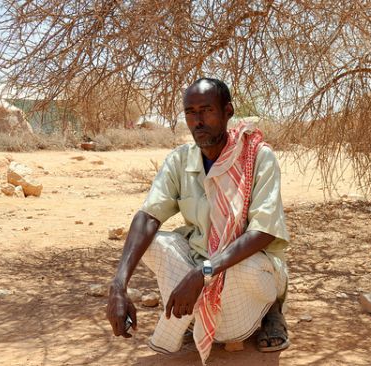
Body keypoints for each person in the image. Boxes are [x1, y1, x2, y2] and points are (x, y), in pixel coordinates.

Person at [106, 78, 290, 364]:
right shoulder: (181, 159)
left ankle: (269, 312)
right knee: (153, 242)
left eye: (207, 111)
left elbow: (264, 231)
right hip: (201, 265)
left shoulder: (257, 157)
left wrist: (202, 273)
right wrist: (118, 284)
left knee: (243, 279)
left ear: (227, 112)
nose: (198, 121)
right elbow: (148, 216)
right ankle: (195, 313)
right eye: (190, 113)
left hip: (249, 270)